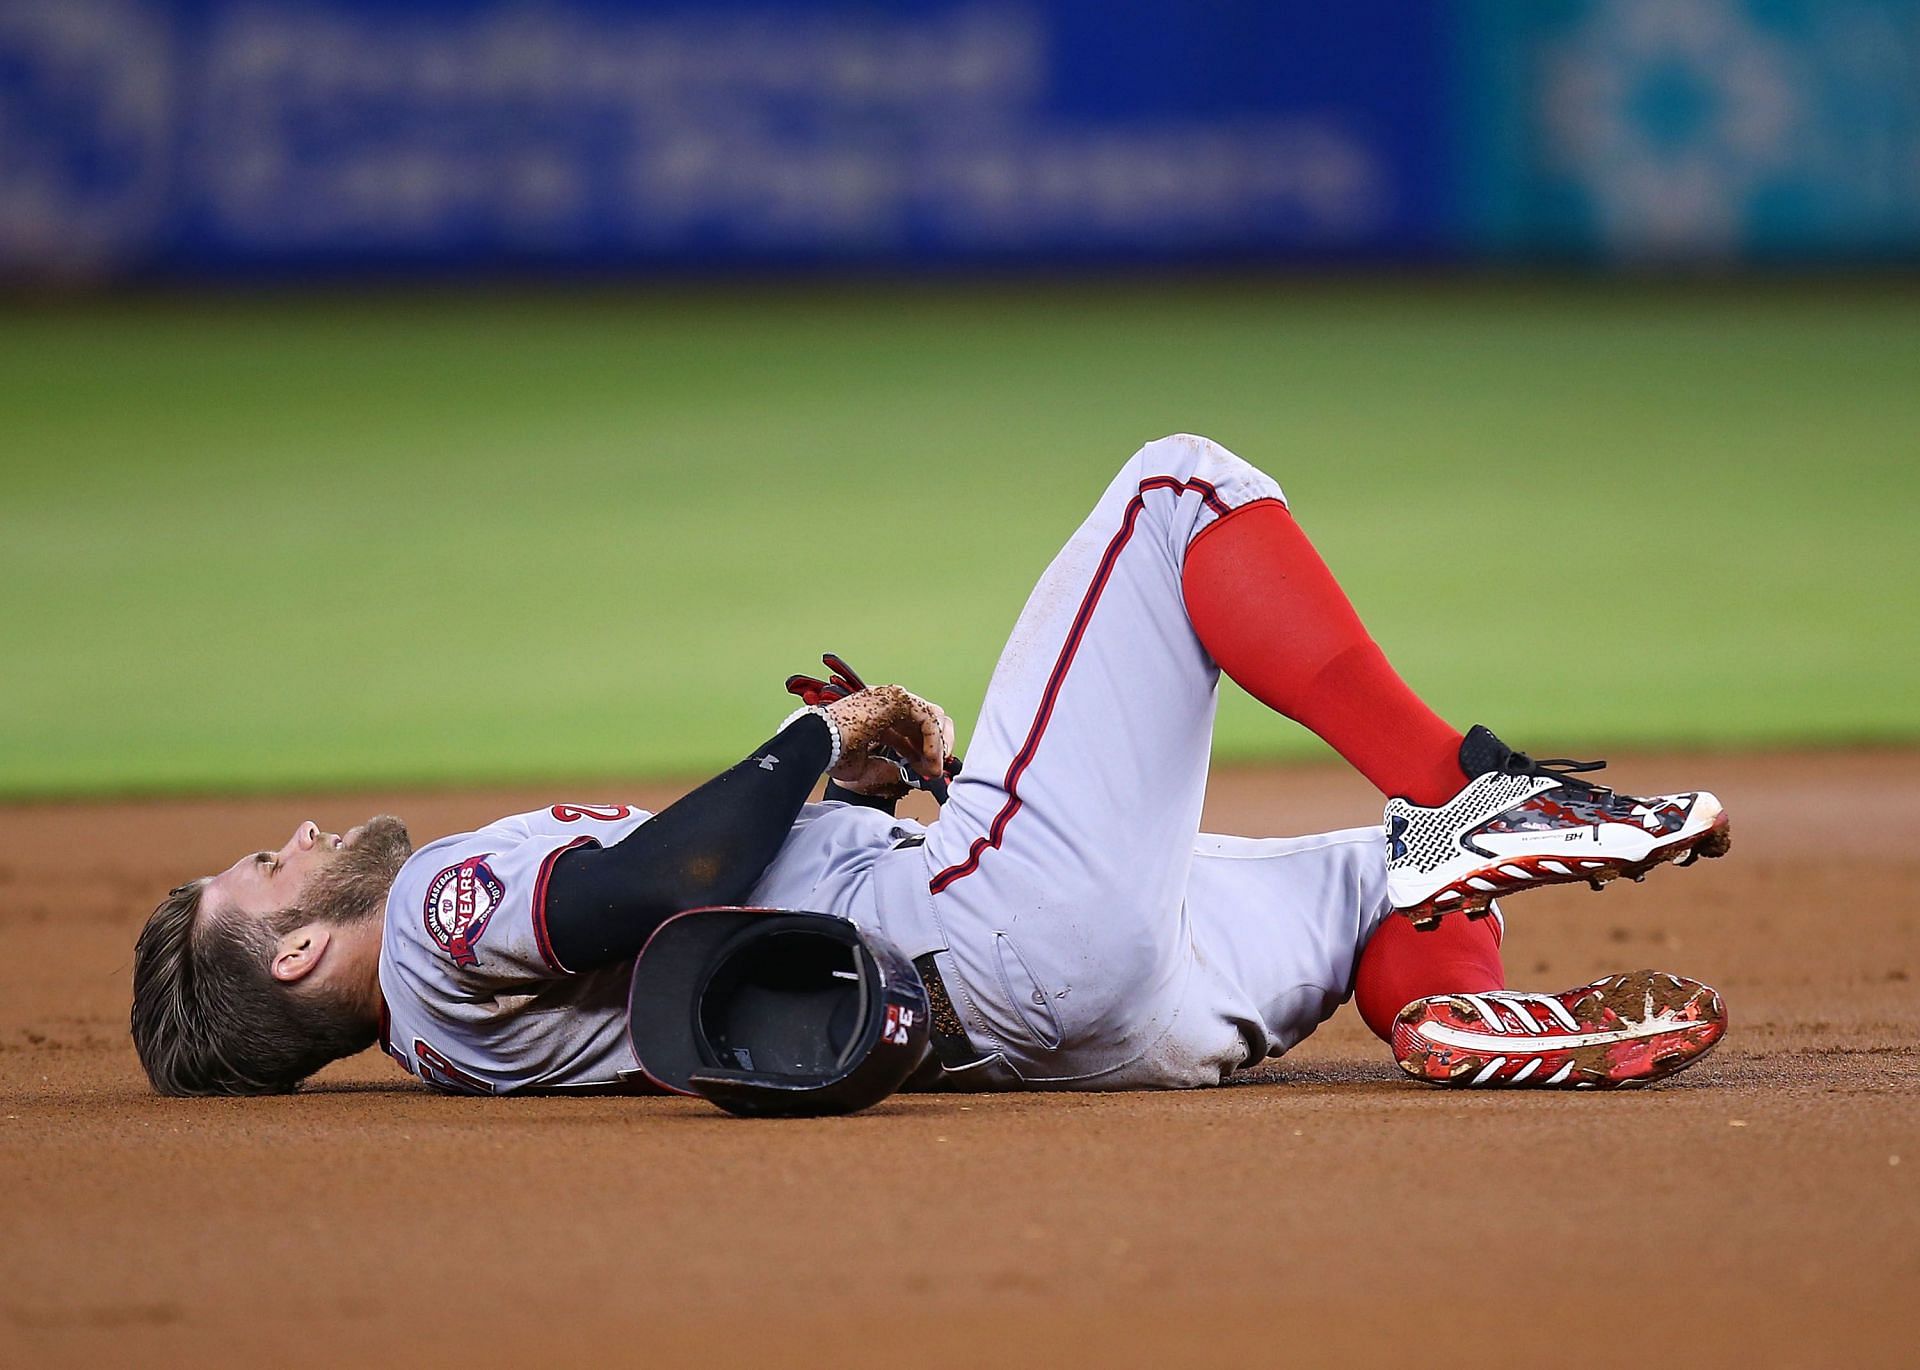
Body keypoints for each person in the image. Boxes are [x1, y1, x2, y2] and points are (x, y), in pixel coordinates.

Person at [131, 435, 1730, 1100]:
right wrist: (812, 739)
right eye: (266, 870)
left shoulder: (446, 1043)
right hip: (998, 939)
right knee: (1176, 489)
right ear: (288, 948)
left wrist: (861, 795)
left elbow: (716, 926)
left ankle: (1440, 1006)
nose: (297, 835)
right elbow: (645, 889)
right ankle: (1479, 783)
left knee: (1385, 873)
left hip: (1071, 1017)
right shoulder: (424, 918)